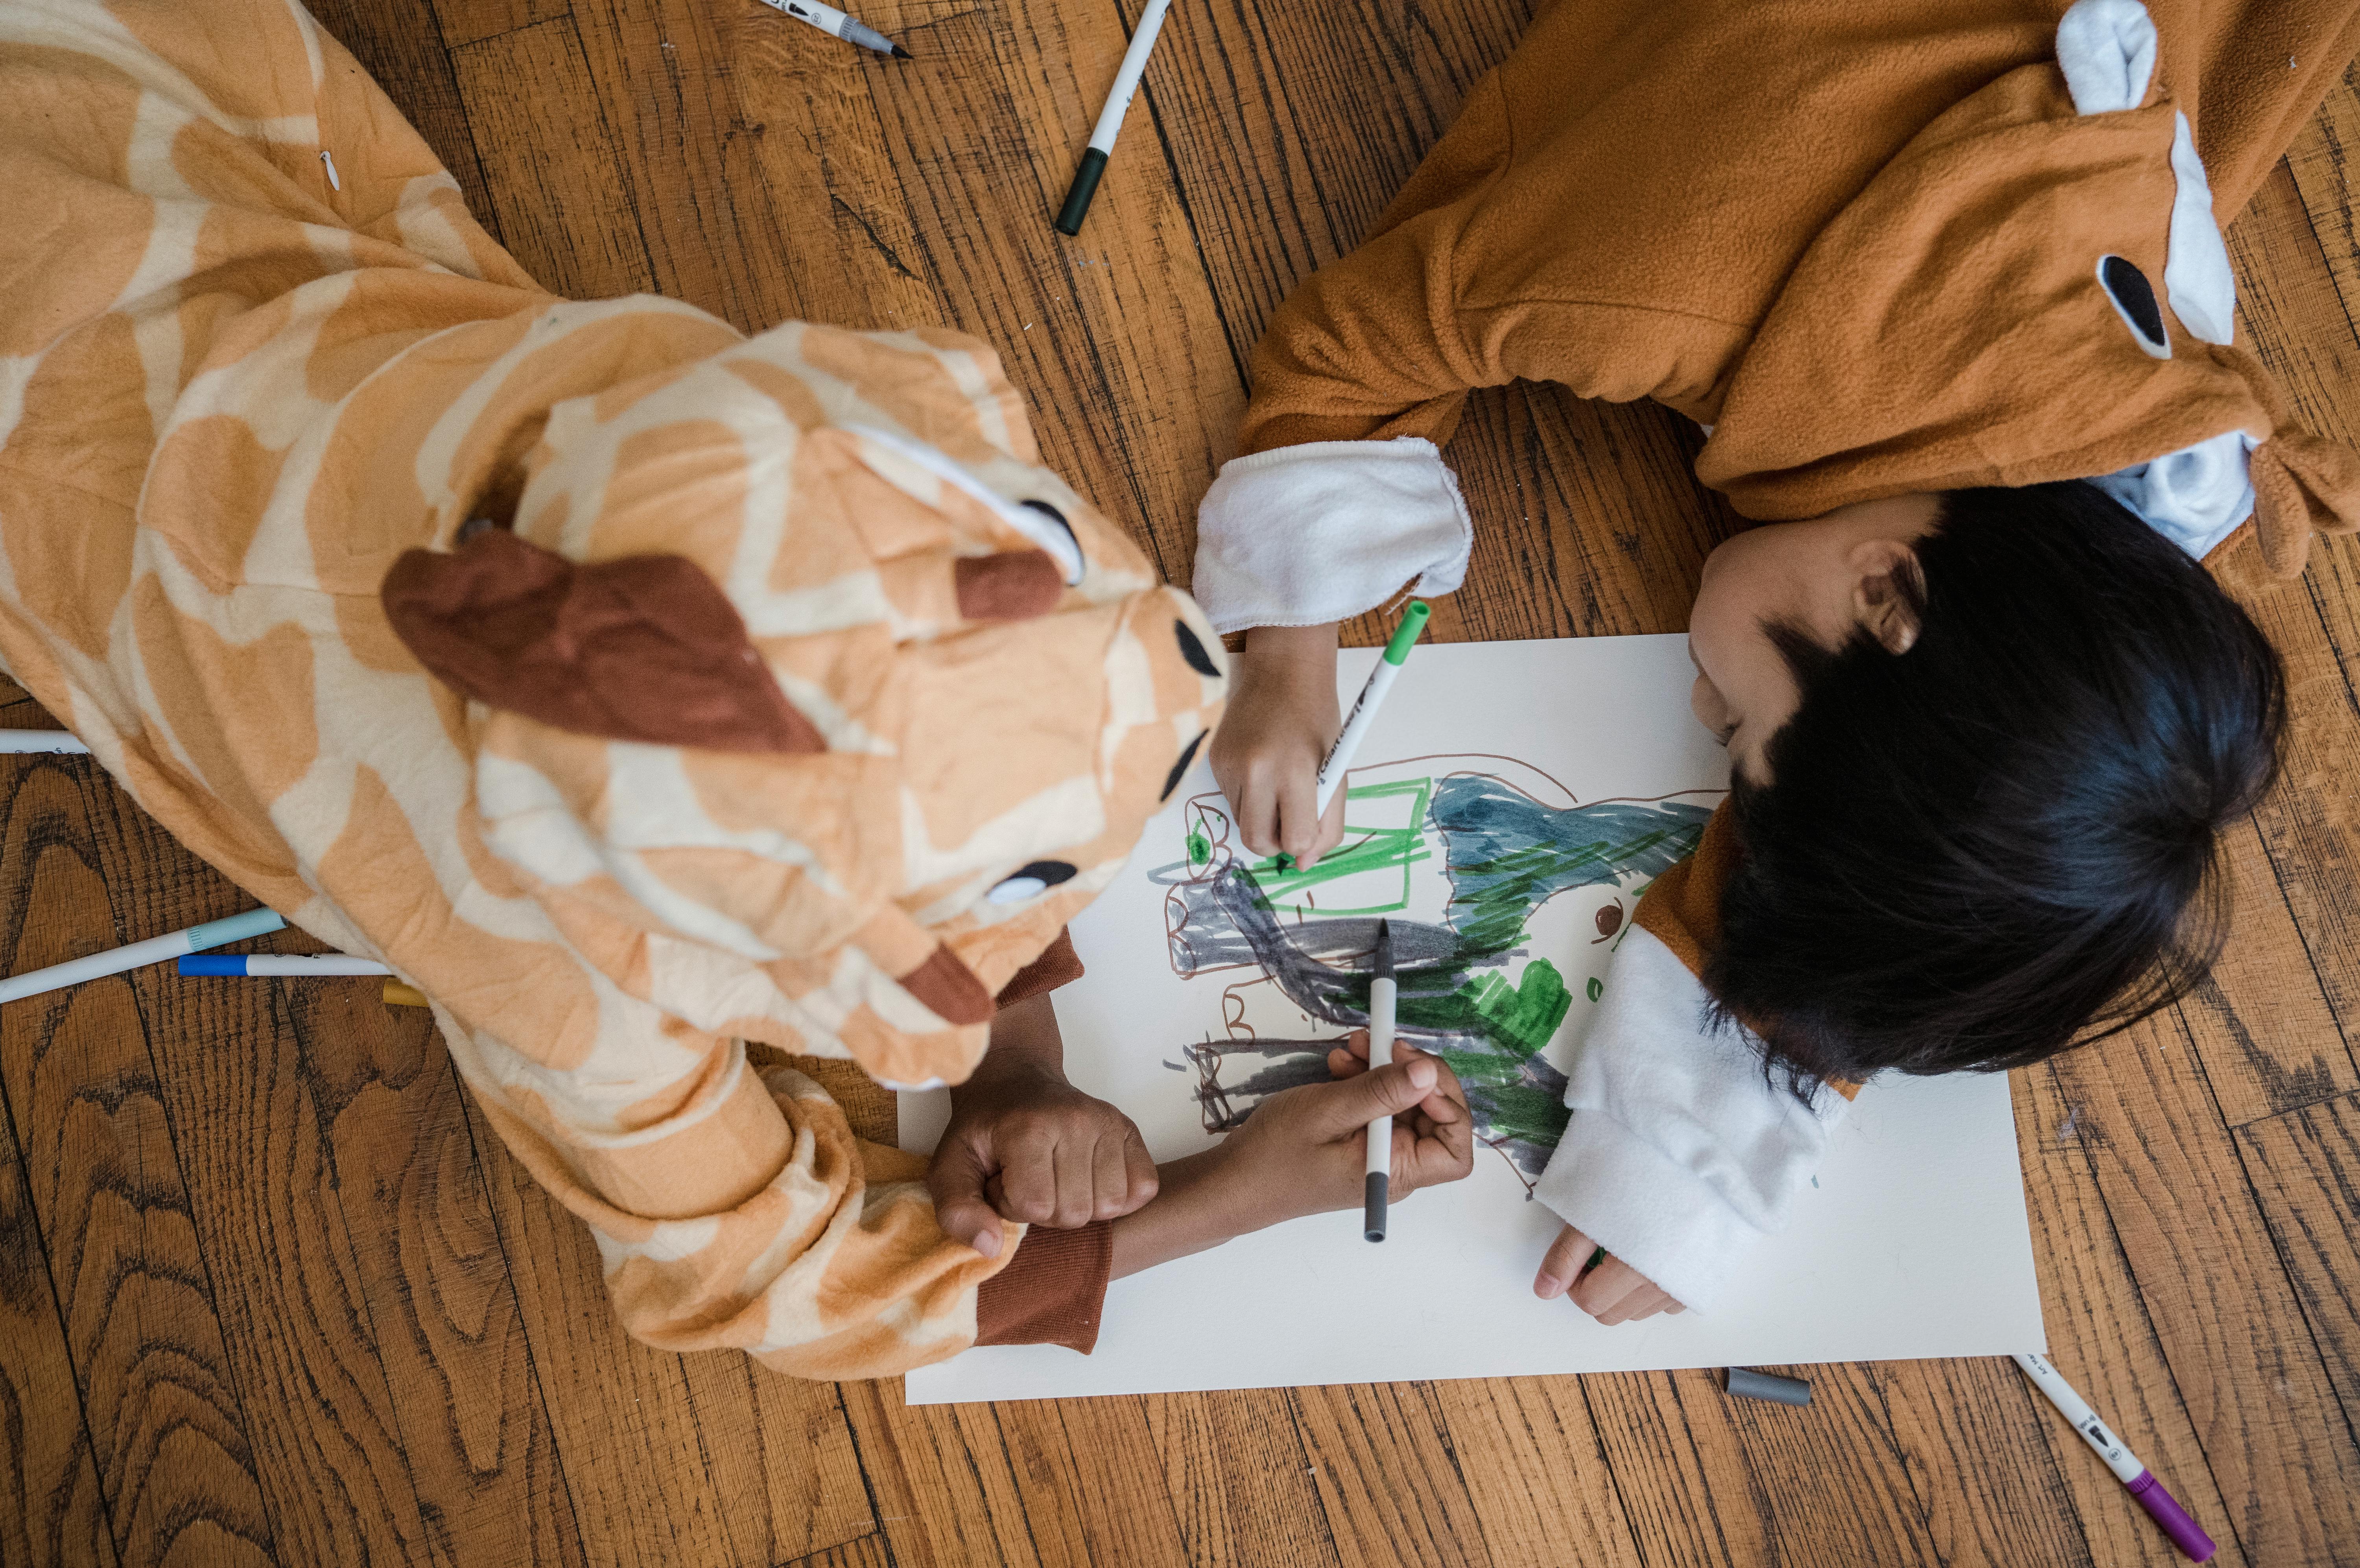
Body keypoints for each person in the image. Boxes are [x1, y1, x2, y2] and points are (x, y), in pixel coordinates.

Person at [0, 0, 1474, 1378]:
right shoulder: (565, 982)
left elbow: (884, 700)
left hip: (121, 165)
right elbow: (764, 1273)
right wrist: (1224, 1195)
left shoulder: (695, 424)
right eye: (1015, 883)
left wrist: (1015, 1063)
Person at [1200, 0, 2356, 1322]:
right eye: (1736, 727)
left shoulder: (2109, 562)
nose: (1698, 703)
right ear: (1881, 590)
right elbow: (1369, 336)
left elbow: (1915, 819)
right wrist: (1287, 646)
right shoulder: (1659, 268)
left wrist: (1697, 1152)